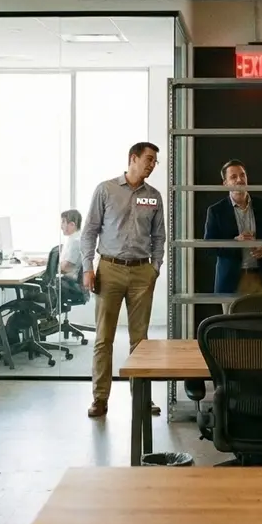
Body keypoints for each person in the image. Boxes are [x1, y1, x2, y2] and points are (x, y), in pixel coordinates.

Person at [80, 142, 165, 418]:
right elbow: (89, 231)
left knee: (140, 341)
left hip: (142, 273)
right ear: (133, 158)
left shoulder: (154, 196)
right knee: (104, 338)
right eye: (149, 159)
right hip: (110, 269)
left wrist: (155, 267)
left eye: (155, 161)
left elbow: (159, 236)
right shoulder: (106, 190)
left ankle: (141, 399)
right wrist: (87, 268)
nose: (152, 165)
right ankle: (100, 398)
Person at [203, 159, 262, 303]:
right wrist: (234, 243)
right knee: (231, 324)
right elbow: (209, 246)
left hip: (261, 280)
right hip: (230, 282)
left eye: (242, 175)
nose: (239, 179)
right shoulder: (216, 211)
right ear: (225, 184)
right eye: (233, 177)